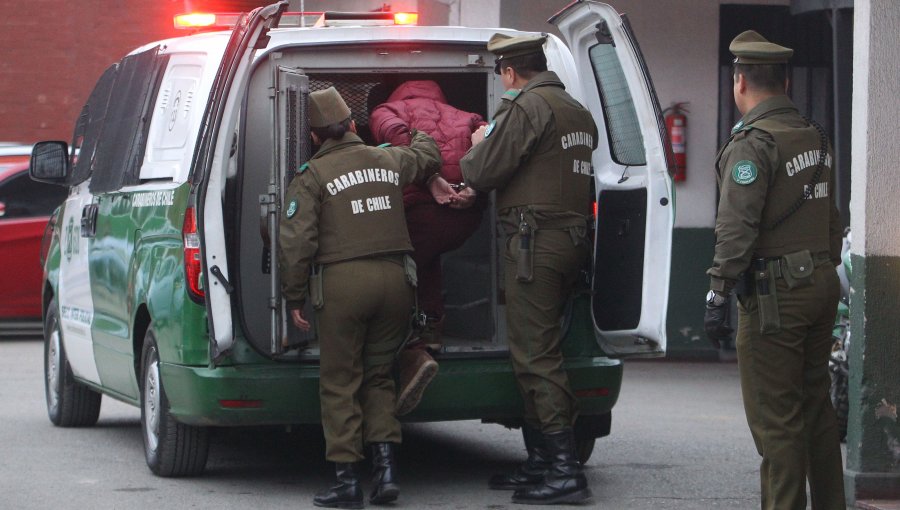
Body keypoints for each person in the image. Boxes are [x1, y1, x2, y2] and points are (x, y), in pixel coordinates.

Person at [278, 87, 456, 508]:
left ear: (316, 137)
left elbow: (296, 241)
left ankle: (346, 480)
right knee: (379, 375)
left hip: (343, 286)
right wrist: (413, 124)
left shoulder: (312, 176)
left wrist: (294, 294)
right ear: (354, 126)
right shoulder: (385, 159)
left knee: (341, 380)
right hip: (397, 283)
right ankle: (387, 471)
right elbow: (427, 154)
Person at [704, 31, 845, 510]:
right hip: (821, 283)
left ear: (739, 82)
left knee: (776, 421)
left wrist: (719, 291)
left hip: (775, 295)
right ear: (785, 80)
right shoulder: (815, 137)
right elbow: (833, 220)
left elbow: (736, 227)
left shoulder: (752, 144)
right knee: (816, 411)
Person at [459, 33, 597, 505]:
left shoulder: (525, 108)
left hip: (535, 245)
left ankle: (563, 468)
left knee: (536, 355)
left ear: (510, 73)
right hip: (569, 242)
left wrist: (480, 141)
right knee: (539, 348)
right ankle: (542, 460)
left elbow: (480, 171)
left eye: (501, 77)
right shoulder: (575, 110)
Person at [369, 80, 487, 416]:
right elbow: (489, 147)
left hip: (417, 213)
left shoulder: (387, 111)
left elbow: (396, 137)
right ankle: (433, 326)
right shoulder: (469, 116)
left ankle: (413, 351)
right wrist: (473, 190)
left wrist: (429, 177)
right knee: (426, 259)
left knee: (397, 272)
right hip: (463, 217)